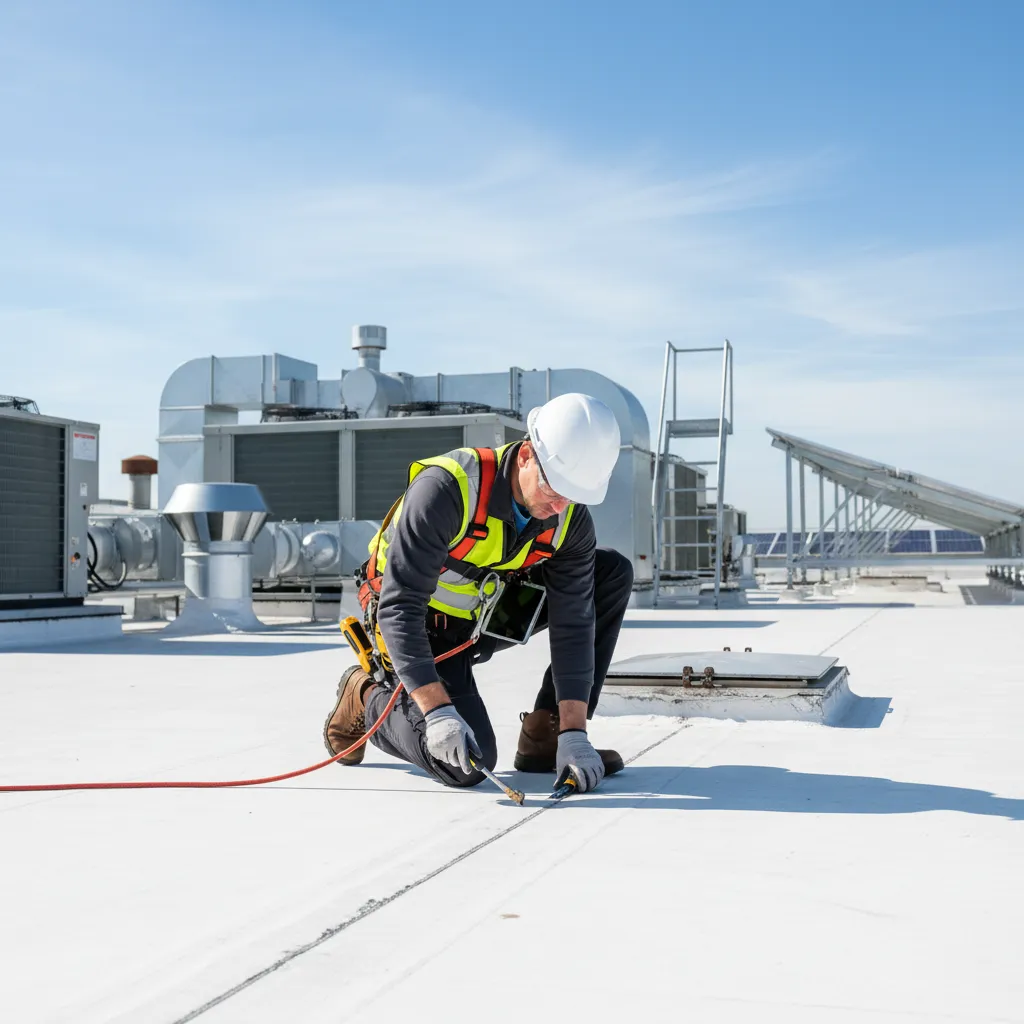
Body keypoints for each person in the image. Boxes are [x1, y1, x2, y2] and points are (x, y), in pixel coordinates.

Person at [323, 392, 634, 794]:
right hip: (417, 625)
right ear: (525, 455)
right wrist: (437, 711)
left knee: (609, 573)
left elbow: (575, 622)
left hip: (482, 615)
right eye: (554, 488)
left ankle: (546, 734)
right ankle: (364, 697)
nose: (559, 506)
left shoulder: (567, 518)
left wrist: (575, 732)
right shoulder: (446, 490)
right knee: (467, 763)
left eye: (572, 495)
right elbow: (400, 608)